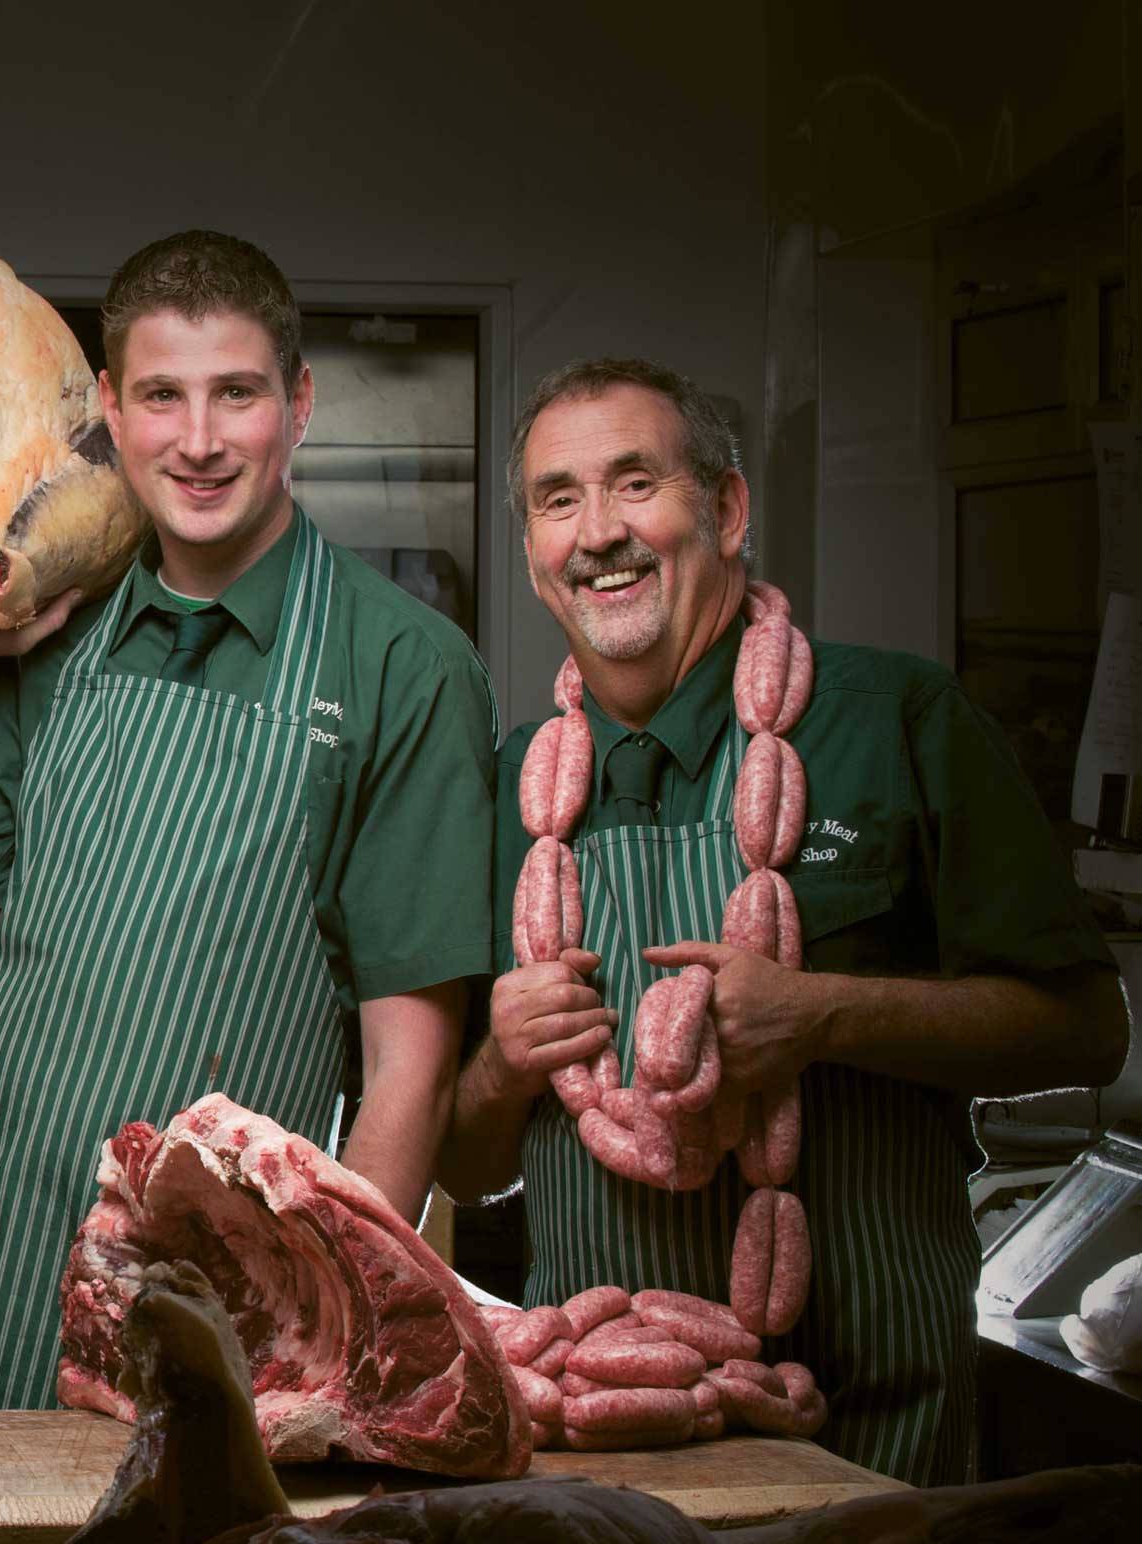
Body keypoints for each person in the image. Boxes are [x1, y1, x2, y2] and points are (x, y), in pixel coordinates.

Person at [438, 356, 1127, 1485]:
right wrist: (505, 1065)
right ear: (531, 552)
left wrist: (822, 1017)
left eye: (635, 484)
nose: (598, 531)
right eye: (558, 500)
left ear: (727, 507)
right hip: (609, 1424)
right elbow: (465, 1167)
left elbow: (1088, 1030)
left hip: (872, 1428)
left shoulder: (896, 720)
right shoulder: (511, 791)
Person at [0, 230, 500, 1407]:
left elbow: (402, 1077)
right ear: (111, 406)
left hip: (191, 1320)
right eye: (162, 395)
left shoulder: (401, 666)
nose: (199, 442)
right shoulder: (52, 628)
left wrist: (329, 1365)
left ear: (300, 405)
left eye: (238, 395)